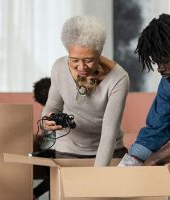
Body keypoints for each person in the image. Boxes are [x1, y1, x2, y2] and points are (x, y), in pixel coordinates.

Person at [42, 15, 130, 166]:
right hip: (67, 150)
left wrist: (97, 176)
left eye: (89, 60)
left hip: (111, 152)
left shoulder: (119, 78)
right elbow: (51, 107)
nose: (82, 67)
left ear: (99, 52)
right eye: (74, 60)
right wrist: (47, 120)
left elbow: (109, 134)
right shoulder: (59, 67)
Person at [119, 13, 170, 166]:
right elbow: (157, 128)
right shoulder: (167, 83)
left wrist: (155, 159)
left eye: (165, 60)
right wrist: (133, 160)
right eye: (156, 62)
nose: (160, 68)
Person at [32, 77, 52, 200]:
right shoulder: (64, 109)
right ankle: (35, 193)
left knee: (53, 177)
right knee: (56, 177)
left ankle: (35, 194)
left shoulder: (44, 112)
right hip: (56, 152)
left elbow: (40, 135)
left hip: (44, 150)